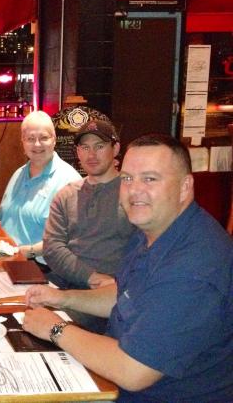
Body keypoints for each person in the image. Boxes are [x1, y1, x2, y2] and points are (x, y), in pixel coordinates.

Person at [23, 134, 233, 402]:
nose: (135, 190)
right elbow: (124, 294)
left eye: (150, 179)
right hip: (113, 379)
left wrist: (55, 329)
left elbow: (133, 370)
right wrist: (62, 298)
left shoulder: (194, 268)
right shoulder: (153, 230)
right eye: (128, 179)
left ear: (185, 187)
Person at [42, 119, 135, 332]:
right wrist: (90, 276)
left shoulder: (133, 194)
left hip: (105, 298)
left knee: (47, 328)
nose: (91, 155)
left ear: (116, 148)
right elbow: (52, 247)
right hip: (61, 284)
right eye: (85, 147)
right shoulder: (66, 195)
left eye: (99, 146)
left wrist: (110, 284)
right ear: (77, 151)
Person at [0, 110, 80, 257]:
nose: (37, 144)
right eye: (30, 138)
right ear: (22, 141)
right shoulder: (18, 174)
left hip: (40, 267)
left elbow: (72, 238)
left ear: (54, 139)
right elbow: (1, 219)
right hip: (5, 257)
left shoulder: (70, 181)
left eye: (44, 138)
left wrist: (26, 252)